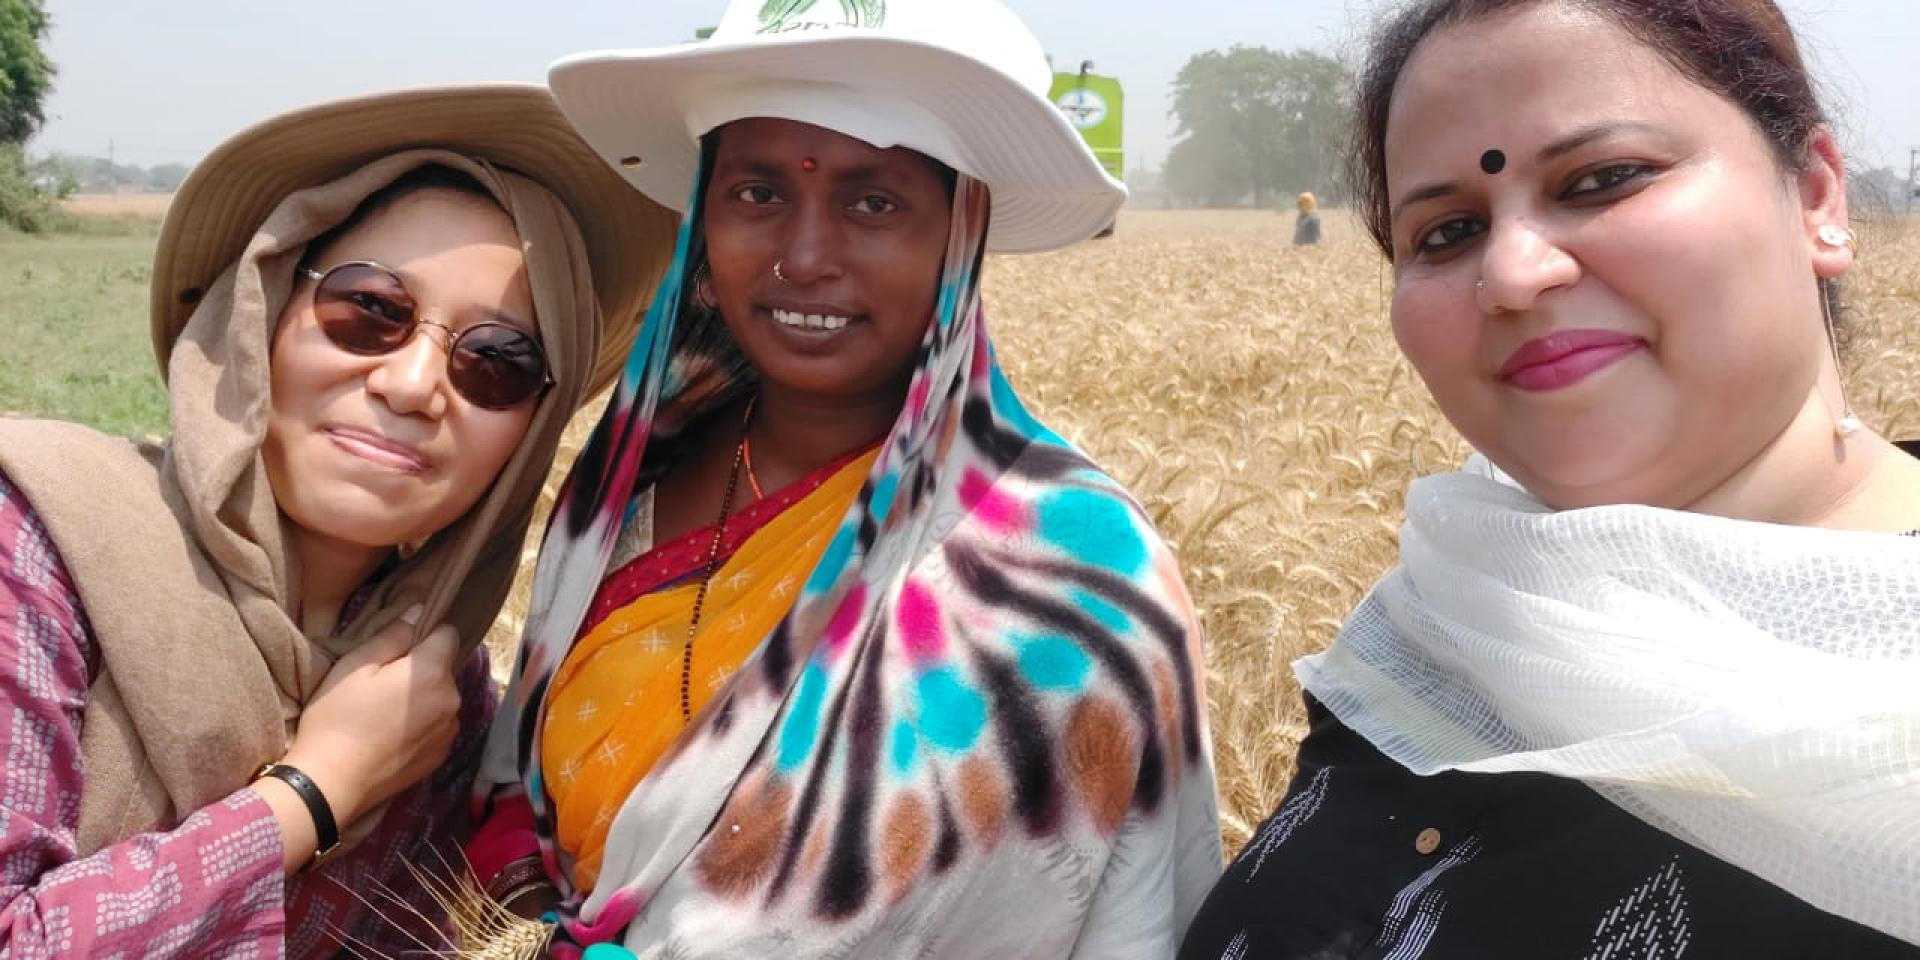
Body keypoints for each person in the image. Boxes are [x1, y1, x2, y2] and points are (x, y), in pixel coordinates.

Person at [465, 0, 1222, 956]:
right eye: (757, 193)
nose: (805, 255)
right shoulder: (622, 491)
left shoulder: (1074, 578)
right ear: (703, 214)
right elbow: (517, 806)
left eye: (874, 202)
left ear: (960, 234)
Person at [1178, 0, 1920, 956]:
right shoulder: (1439, 626)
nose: (1513, 272)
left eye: (1605, 178)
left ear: (1817, 196)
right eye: (1446, 232)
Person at [0, 84, 676, 957]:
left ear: (532, 431)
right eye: (371, 310)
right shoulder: (38, 544)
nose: (411, 384)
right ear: (264, 317)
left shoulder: (440, 700)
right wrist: (317, 791)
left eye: (497, 361)